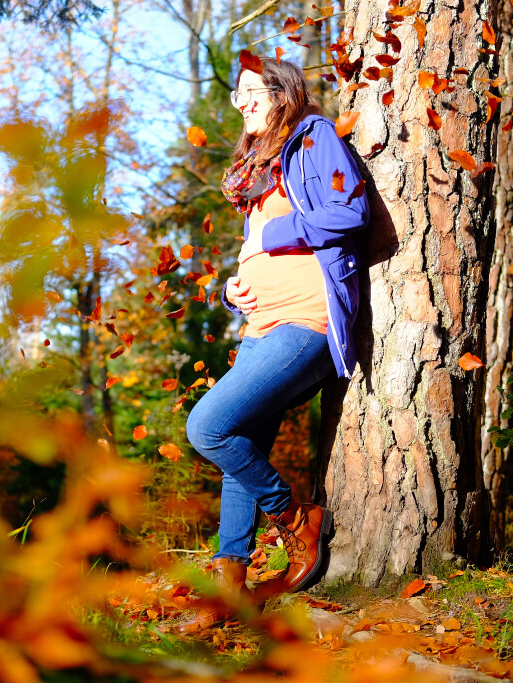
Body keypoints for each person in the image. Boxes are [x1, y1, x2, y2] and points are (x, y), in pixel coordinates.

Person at [177, 56, 369, 634]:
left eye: (251, 90)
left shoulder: (312, 137)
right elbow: (258, 252)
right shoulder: (259, 168)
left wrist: (275, 234)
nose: (242, 102)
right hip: (259, 327)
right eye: (237, 95)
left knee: (206, 427)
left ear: (283, 91)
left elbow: (349, 209)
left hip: (306, 322)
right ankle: (230, 583)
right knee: (237, 439)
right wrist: (237, 289)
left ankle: (297, 519)